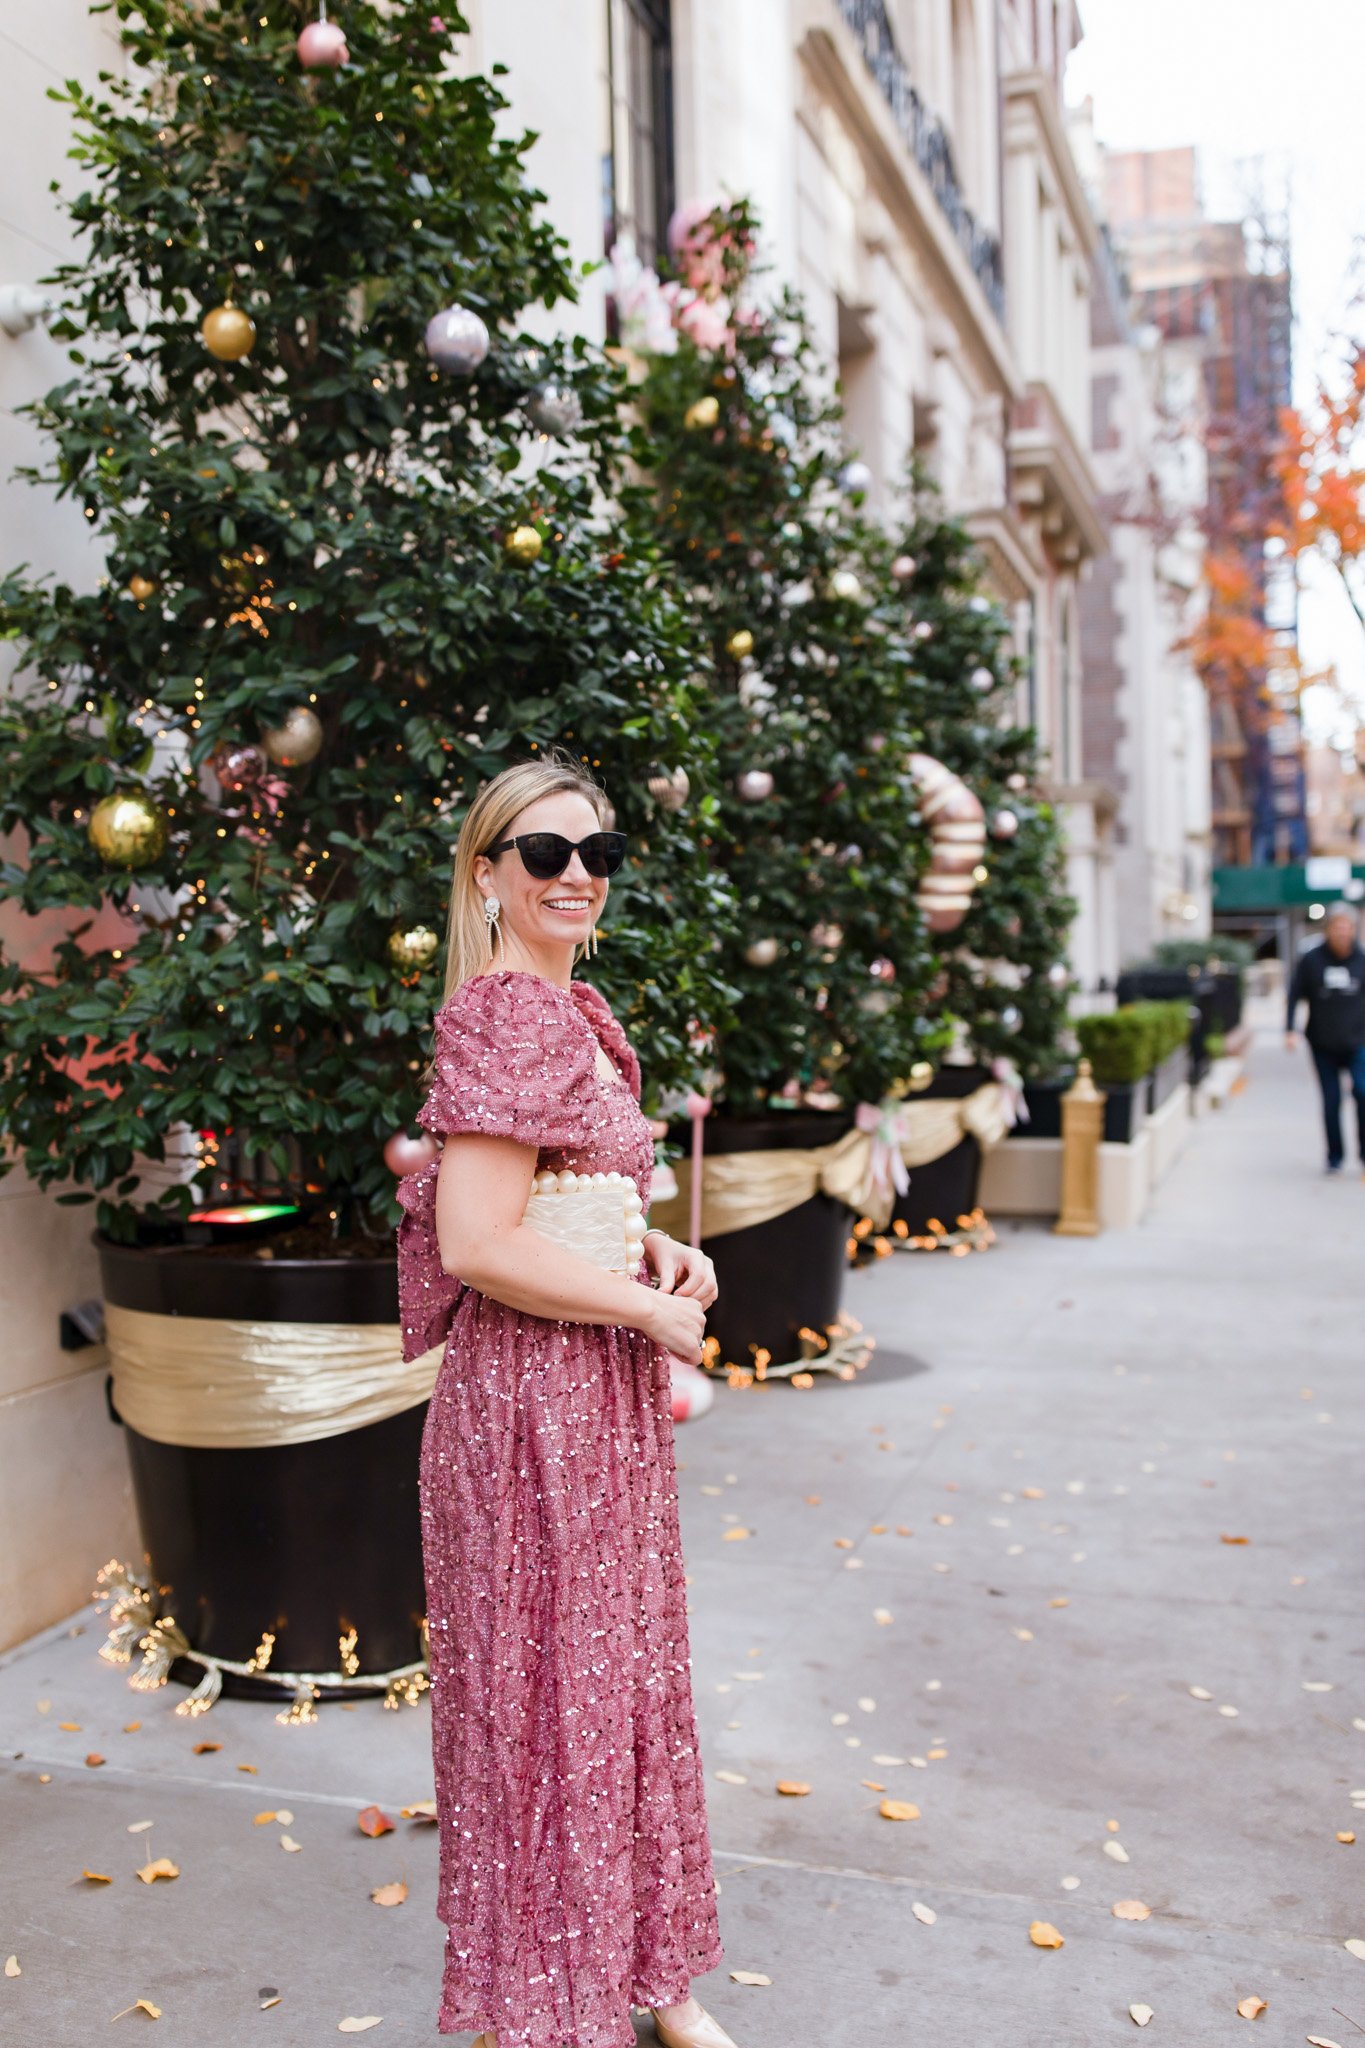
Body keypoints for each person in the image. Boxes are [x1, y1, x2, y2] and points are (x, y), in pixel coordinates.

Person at [395, 754, 734, 2048]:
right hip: (532, 1401)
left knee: (625, 1681)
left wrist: (653, 1254)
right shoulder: (500, 1015)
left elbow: (564, 1204)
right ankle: (546, 1999)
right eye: (545, 853)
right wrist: (651, 1314)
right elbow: (480, 1243)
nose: (577, 874)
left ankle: (648, 1975)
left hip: (594, 1390)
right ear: (488, 875)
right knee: (545, 1696)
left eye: (598, 852)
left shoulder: (576, 1015)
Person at [1285, 904, 1365, 1173]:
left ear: (1354, 930)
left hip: (1359, 1041)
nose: (1342, 932)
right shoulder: (1312, 960)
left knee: (1363, 1092)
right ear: (1328, 929)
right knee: (1331, 1101)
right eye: (1337, 927)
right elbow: (1295, 994)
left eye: (1347, 927)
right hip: (1322, 1042)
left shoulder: (1362, 960)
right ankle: (1335, 1156)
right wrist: (1289, 1030)